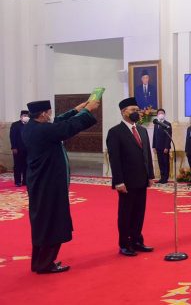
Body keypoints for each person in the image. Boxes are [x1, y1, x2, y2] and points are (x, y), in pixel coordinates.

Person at [23, 98, 99, 274]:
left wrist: (77, 109)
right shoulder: (44, 131)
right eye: (48, 112)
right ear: (43, 114)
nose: (50, 115)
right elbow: (67, 128)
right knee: (53, 222)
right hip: (49, 184)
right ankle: (45, 264)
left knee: (41, 222)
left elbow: (58, 122)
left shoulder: (31, 127)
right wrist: (87, 111)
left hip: (40, 182)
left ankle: (39, 262)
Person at [106, 98, 156, 256]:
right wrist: (119, 181)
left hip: (141, 179)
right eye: (133, 110)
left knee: (139, 212)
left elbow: (147, 154)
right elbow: (115, 159)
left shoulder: (142, 130)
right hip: (126, 182)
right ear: (123, 112)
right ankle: (125, 244)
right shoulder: (115, 132)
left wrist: (151, 175)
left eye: (137, 109)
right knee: (126, 213)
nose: (136, 112)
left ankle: (137, 240)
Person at [10, 110, 29, 187]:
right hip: (18, 149)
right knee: (18, 165)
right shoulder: (15, 125)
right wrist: (13, 147)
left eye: (27, 115)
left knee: (27, 165)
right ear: (21, 116)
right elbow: (12, 136)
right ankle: (17, 181)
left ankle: (25, 181)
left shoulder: (30, 125)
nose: (25, 117)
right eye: (24, 115)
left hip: (28, 149)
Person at [152, 108, 172, 184]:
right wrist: (154, 146)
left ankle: (165, 178)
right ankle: (162, 177)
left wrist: (167, 147)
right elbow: (154, 136)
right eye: (159, 113)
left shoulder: (167, 124)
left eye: (162, 113)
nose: (161, 114)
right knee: (160, 163)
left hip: (165, 148)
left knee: (165, 162)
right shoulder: (156, 124)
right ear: (157, 115)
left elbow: (169, 136)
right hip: (158, 147)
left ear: (164, 114)